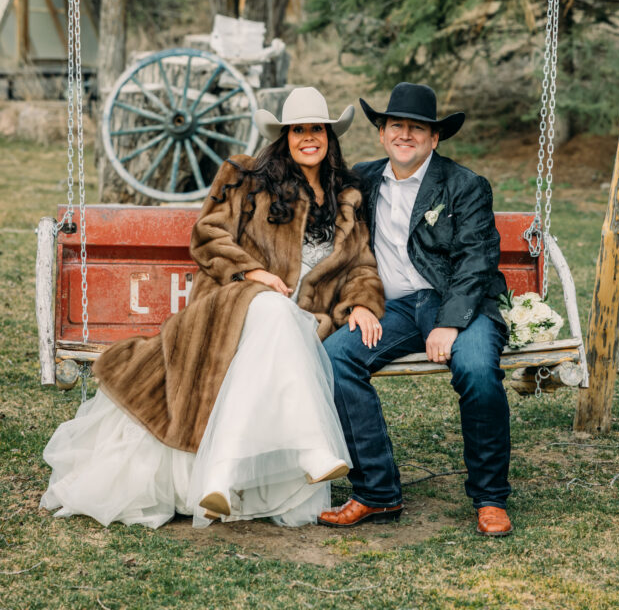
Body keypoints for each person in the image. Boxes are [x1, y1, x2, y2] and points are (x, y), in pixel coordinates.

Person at [40, 87, 384, 529]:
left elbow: (360, 265)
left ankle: (220, 475)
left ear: (329, 136)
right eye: (298, 130)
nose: (308, 137)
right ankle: (312, 450)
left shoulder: (347, 198)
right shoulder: (245, 177)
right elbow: (207, 235)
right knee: (274, 310)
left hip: (301, 322)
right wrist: (251, 273)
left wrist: (360, 303)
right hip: (231, 307)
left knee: (283, 320)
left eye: (317, 129)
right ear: (285, 136)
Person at [319, 82, 512, 536]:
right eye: (395, 126)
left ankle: (490, 497)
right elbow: (339, 246)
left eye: (417, 129)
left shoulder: (464, 185)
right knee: (336, 358)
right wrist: (356, 302)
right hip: (395, 308)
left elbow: (476, 260)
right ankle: (377, 492)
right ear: (382, 133)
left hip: (458, 303)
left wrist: (450, 323)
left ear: (434, 138)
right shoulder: (361, 181)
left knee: (478, 371)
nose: (405, 135)